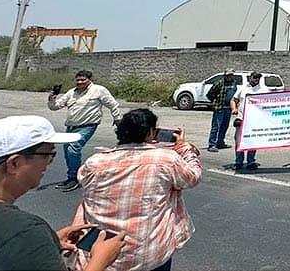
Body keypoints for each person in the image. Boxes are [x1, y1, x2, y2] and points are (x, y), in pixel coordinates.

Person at [0, 115, 125, 270]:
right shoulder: (21, 230)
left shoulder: (17, 235)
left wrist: (44, 244)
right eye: (49, 155)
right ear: (14, 163)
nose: (50, 162)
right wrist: (100, 260)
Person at [73, 108, 201, 271]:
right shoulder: (166, 159)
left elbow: (84, 182)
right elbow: (193, 177)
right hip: (149, 256)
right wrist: (184, 148)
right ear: (150, 133)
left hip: (101, 256)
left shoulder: (94, 162)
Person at [47, 70, 121, 192]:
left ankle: (75, 179)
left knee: (73, 148)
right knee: (67, 151)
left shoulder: (99, 90)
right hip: (71, 127)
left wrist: (117, 118)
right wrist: (51, 99)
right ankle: (71, 177)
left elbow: (113, 104)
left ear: (89, 79)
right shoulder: (71, 92)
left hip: (88, 126)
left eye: (83, 80)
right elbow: (55, 107)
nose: (80, 82)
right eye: (78, 80)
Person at [231, 71, 263, 171]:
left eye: (258, 78)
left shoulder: (262, 90)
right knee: (239, 141)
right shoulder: (243, 89)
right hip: (241, 119)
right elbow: (233, 100)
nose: (256, 79)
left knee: (252, 141)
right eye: (255, 77)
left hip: (254, 120)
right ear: (250, 78)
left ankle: (251, 162)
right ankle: (238, 162)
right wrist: (234, 109)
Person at [206, 69, 239, 152]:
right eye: (228, 75)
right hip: (219, 108)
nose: (230, 77)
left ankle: (220, 143)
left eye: (231, 75)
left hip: (228, 108)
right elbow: (210, 94)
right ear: (225, 75)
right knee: (216, 127)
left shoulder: (234, 83)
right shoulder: (219, 83)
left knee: (225, 126)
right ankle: (212, 144)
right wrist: (215, 102)